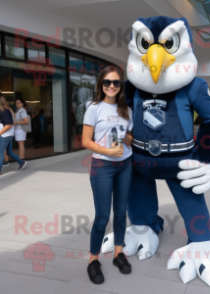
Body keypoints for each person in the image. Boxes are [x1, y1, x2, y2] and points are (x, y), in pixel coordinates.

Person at [82, 66, 133, 284]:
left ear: (121, 86)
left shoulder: (126, 109)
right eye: (107, 82)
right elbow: (86, 141)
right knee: (103, 217)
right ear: (101, 84)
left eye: (116, 83)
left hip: (125, 164)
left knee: (121, 213)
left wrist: (124, 140)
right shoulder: (94, 107)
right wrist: (109, 151)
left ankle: (118, 254)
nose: (111, 86)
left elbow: (130, 137)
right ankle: (93, 260)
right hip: (102, 165)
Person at [0, 94, 27, 175]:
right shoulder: (9, 110)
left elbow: (9, 124)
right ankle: (21, 163)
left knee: (0, 153)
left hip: (4, 135)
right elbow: (12, 119)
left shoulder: (4, 110)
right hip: (9, 134)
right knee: (9, 152)